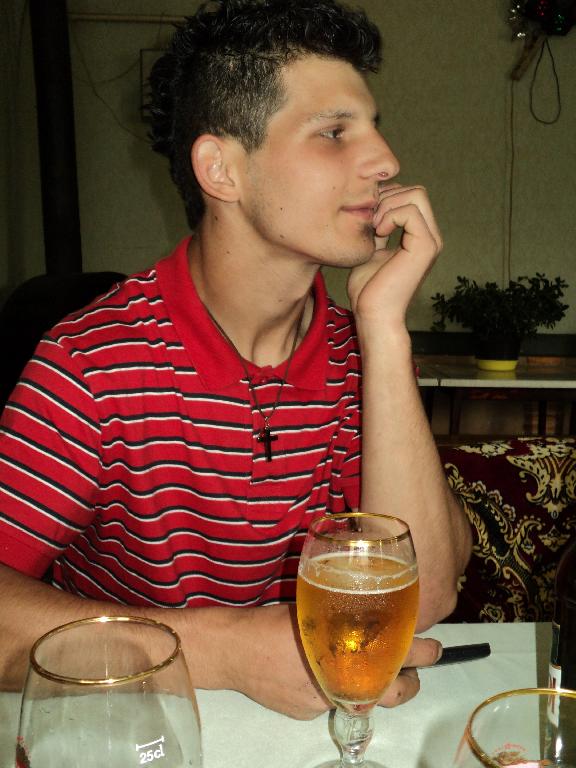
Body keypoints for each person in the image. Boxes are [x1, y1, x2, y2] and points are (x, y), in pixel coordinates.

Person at [0, 0, 471, 719]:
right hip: (137, 733)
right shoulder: (90, 364)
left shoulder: (359, 354)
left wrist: (383, 330)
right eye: (334, 132)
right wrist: (226, 653)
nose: (386, 161)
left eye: (374, 127)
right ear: (220, 169)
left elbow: (427, 593)